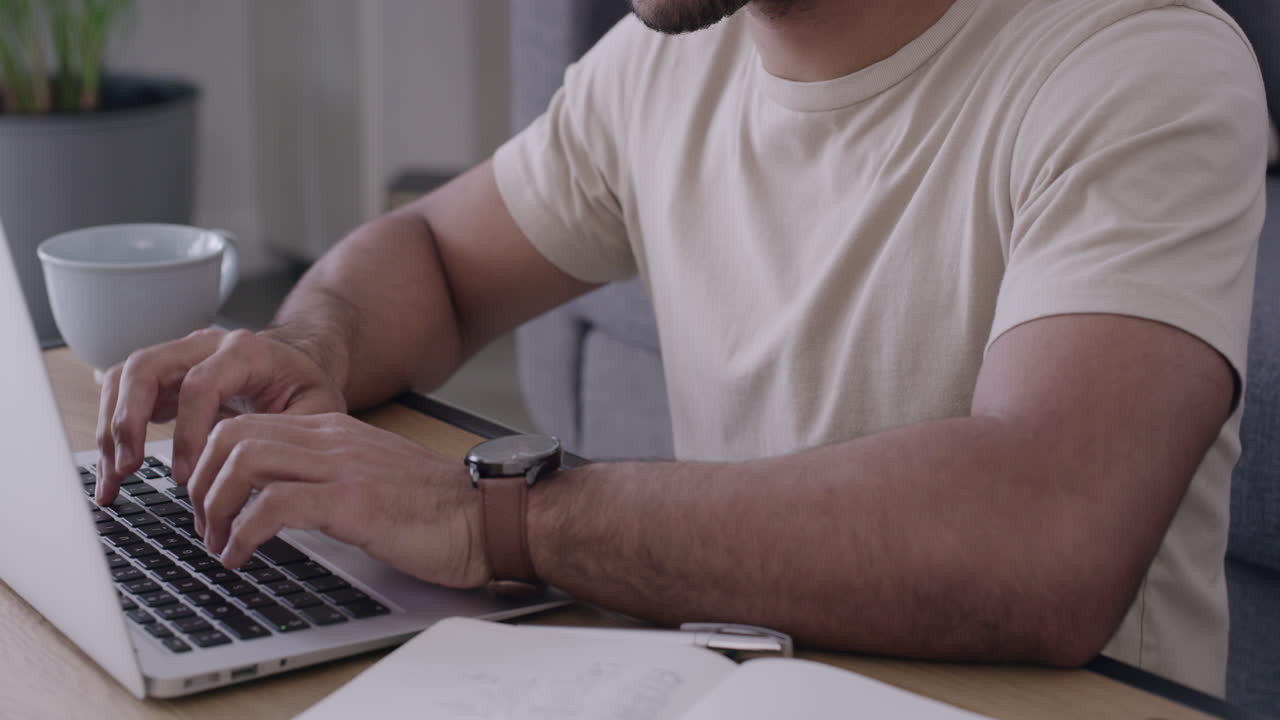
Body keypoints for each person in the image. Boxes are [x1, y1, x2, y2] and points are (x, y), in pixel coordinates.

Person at [93, 0, 1266, 697]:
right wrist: (311, 344)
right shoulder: (666, 63)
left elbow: (1041, 541)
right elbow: (435, 255)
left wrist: (492, 517)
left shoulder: (1133, 64)